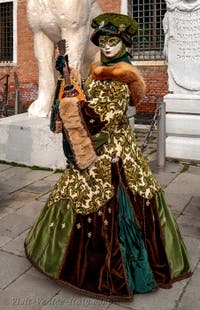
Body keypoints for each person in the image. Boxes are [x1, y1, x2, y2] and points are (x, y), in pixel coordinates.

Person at [24, 13, 191, 302]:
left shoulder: (121, 76)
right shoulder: (99, 68)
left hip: (113, 154)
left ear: (124, 43)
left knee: (120, 198)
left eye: (113, 41)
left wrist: (71, 105)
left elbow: (102, 120)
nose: (108, 46)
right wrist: (69, 81)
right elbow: (85, 98)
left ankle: (125, 270)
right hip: (95, 148)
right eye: (103, 41)